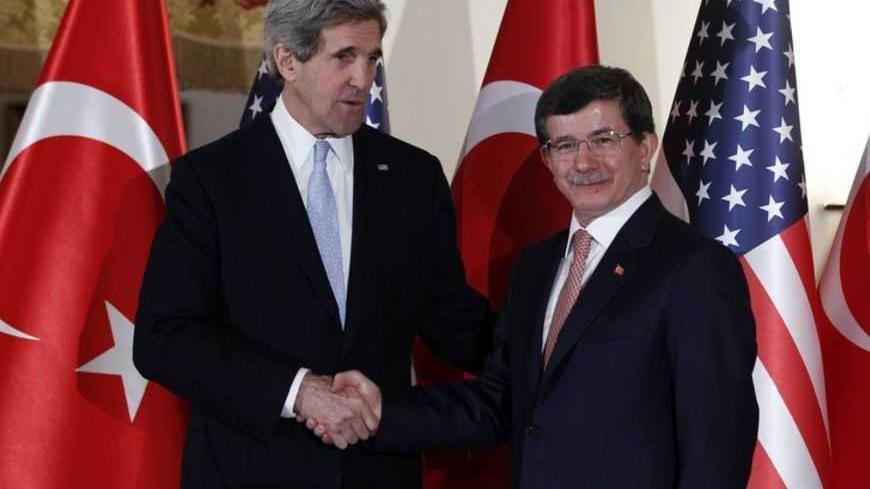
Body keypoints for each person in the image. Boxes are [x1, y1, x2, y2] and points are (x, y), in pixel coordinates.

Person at [320, 65, 759, 488]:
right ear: (548, 160)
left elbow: (717, 448)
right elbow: (500, 403)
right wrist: (377, 412)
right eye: (564, 145)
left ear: (645, 147)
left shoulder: (695, 267)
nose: (583, 162)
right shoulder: (537, 265)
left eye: (603, 140)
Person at [133, 1, 491, 487]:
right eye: (344, 57)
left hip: (375, 473)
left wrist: (558, 344)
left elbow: (453, 322)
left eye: (372, 58)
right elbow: (165, 338)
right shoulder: (211, 180)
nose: (363, 79)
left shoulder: (413, 177)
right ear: (288, 61)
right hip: (251, 473)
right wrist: (298, 392)